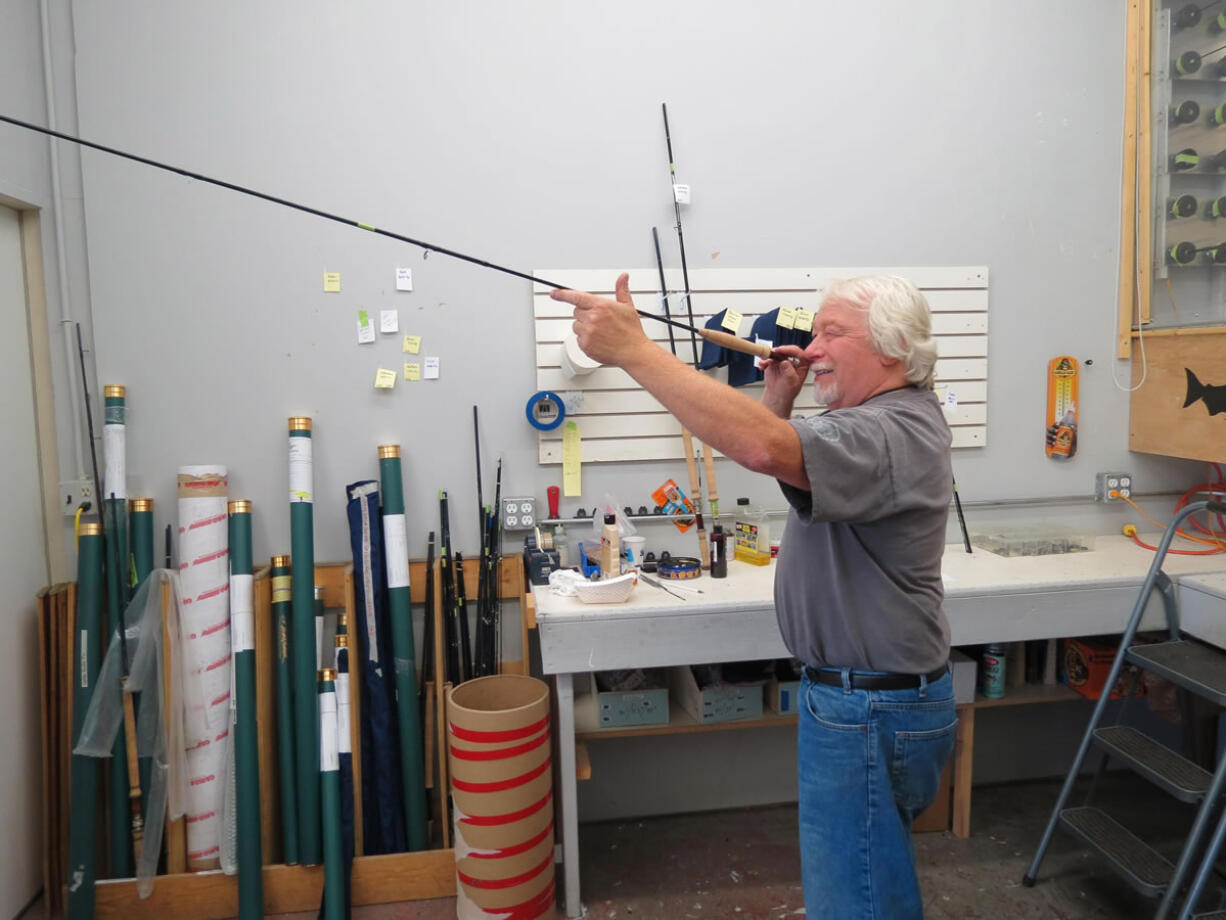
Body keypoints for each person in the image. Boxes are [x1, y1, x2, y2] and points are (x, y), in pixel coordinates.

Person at [551, 273, 956, 920]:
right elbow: (773, 448)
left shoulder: (889, 431)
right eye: (813, 331)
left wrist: (634, 350)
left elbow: (762, 450)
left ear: (892, 348)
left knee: (857, 901)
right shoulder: (867, 425)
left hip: (869, 707)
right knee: (863, 883)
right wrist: (778, 401)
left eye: (832, 333)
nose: (812, 347)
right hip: (860, 699)